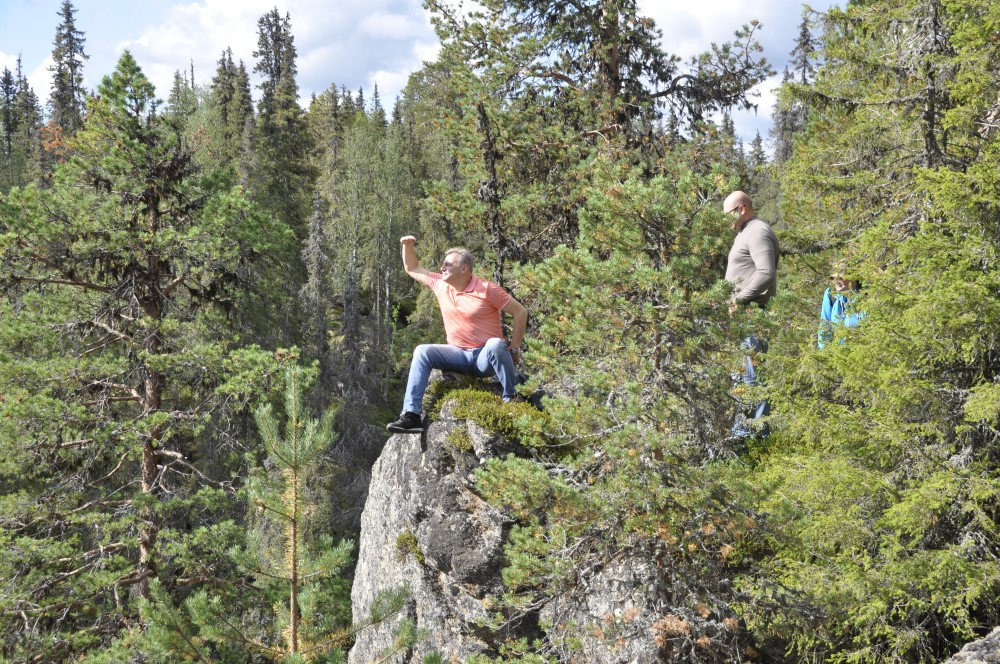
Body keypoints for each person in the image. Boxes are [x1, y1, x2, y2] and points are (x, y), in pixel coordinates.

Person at [386, 236, 528, 434]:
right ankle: (411, 415)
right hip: (457, 354)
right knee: (422, 351)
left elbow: (521, 312)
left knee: (496, 344)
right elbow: (412, 268)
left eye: (447, 264)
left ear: (464, 269)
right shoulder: (440, 284)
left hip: (484, 358)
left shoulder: (487, 289)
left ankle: (510, 399)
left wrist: (514, 348)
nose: (442, 268)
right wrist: (407, 246)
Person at [722, 191, 779, 440]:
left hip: (752, 315)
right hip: (742, 317)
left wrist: (739, 299)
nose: (725, 221)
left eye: (728, 215)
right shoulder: (744, 233)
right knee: (741, 377)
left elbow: (766, 272)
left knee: (751, 377)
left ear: (742, 208)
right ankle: (742, 435)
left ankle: (755, 439)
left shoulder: (757, 231)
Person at [818, 272, 865, 348]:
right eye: (832, 278)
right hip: (839, 355)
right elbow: (825, 328)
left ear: (853, 276)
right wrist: (825, 354)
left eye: (840, 278)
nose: (836, 282)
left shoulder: (868, 295)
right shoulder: (830, 294)